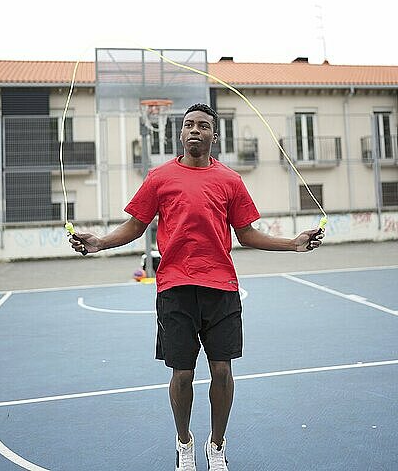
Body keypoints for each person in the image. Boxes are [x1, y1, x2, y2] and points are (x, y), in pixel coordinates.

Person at [69, 103, 324, 471]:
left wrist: (293, 244)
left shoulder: (231, 181)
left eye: (203, 126)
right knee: (183, 374)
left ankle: (216, 445)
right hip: (174, 288)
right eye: (188, 125)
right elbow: (135, 226)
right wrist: (100, 243)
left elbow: (247, 233)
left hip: (221, 288)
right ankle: (184, 442)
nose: (194, 130)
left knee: (222, 371)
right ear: (181, 133)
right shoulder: (159, 178)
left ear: (213, 136)